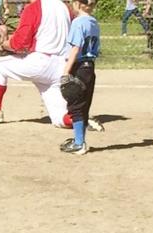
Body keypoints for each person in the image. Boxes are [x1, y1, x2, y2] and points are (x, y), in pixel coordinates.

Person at [0, 0, 72, 127]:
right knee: (59, 118)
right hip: (62, 66)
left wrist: (3, 45)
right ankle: (78, 120)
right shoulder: (65, 7)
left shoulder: (35, 7)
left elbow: (20, 42)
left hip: (40, 62)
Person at [60, 0, 101, 154]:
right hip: (90, 67)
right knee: (84, 105)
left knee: (75, 105)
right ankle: (80, 140)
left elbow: (75, 49)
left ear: (77, 4)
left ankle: (79, 144)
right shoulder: (94, 22)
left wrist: (65, 72)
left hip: (79, 67)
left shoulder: (78, 23)